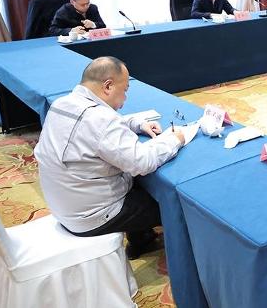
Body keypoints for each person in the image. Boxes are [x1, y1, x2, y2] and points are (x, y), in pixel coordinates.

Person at [34, 57, 185, 259]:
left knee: (136, 181)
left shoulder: (62, 104)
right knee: (173, 202)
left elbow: (97, 129)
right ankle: (163, 251)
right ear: (108, 86)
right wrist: (175, 140)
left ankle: (142, 240)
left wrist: (137, 123)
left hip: (65, 207)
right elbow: (143, 162)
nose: (125, 99)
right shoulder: (101, 120)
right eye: (125, 90)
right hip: (93, 217)